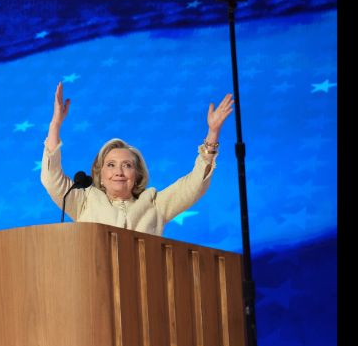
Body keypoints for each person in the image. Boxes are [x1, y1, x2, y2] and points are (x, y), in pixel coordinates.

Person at [40, 83, 235, 236]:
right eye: (111, 165)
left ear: (138, 174)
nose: (119, 171)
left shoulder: (154, 203)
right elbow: (51, 178)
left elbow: (194, 185)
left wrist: (213, 132)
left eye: (127, 165)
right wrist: (55, 124)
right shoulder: (84, 200)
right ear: (99, 175)